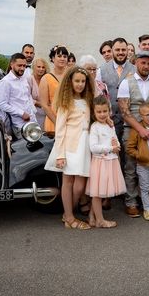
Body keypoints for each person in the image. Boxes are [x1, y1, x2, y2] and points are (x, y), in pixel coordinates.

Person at [44, 67, 95, 230]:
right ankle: (69, 217)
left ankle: (67, 213)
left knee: (80, 186)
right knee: (68, 181)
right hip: (69, 146)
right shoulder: (66, 102)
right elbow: (60, 130)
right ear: (70, 82)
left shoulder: (87, 100)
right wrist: (60, 154)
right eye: (77, 81)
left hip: (84, 146)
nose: (80, 84)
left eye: (83, 81)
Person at [118, 50, 149, 218]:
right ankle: (131, 202)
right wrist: (140, 129)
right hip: (132, 131)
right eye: (143, 63)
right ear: (136, 63)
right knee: (131, 167)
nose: (146, 66)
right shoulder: (126, 83)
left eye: (148, 63)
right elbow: (125, 112)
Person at [85, 95, 126, 228]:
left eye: (105, 111)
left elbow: (114, 139)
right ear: (94, 112)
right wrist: (111, 148)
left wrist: (117, 145)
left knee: (101, 191)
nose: (102, 114)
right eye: (99, 112)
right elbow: (93, 147)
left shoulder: (110, 125)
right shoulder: (95, 127)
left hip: (111, 161)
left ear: (109, 111)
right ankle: (100, 220)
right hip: (100, 163)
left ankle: (92, 216)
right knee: (97, 193)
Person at [0, 53, 37, 138]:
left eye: (24, 66)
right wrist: (21, 113)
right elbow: (2, 104)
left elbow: (27, 97)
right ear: (12, 64)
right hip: (19, 125)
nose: (22, 68)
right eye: (19, 65)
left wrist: (33, 112)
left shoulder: (24, 79)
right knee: (24, 150)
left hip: (32, 123)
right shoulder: (5, 82)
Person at [38, 45, 68, 134]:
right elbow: (44, 105)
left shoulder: (71, 76)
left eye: (65, 56)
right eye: (59, 56)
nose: (62, 58)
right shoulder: (46, 78)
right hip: (53, 118)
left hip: (69, 117)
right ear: (52, 58)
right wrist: (57, 122)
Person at [31, 57, 49, 127]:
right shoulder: (29, 79)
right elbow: (26, 98)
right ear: (34, 67)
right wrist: (39, 103)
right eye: (38, 67)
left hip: (46, 114)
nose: (41, 69)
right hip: (34, 114)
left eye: (43, 67)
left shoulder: (47, 80)